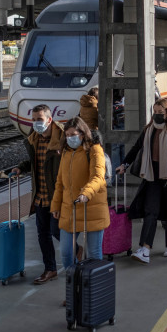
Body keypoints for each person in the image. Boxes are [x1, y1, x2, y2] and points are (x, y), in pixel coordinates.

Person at [116, 99, 167, 263]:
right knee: (151, 210)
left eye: (160, 113)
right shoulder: (149, 130)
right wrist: (124, 165)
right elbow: (136, 148)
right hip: (152, 176)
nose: (157, 115)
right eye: (155, 112)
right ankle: (145, 249)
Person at [10, 104, 64, 285]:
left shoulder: (63, 138)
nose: (35, 123)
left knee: (57, 231)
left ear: (49, 119)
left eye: (39, 119)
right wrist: (21, 167)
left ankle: (76, 252)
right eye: (33, 120)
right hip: (40, 195)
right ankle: (50, 269)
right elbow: (34, 161)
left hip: (57, 195)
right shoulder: (34, 139)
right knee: (43, 234)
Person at [51, 117, 109, 277]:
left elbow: (98, 177)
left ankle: (93, 291)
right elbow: (60, 182)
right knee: (66, 253)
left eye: (73, 134)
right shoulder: (65, 153)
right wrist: (55, 206)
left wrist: (86, 193)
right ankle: (75, 287)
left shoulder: (94, 149)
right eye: (67, 135)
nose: (70, 138)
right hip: (70, 209)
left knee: (94, 253)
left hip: (92, 207)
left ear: (82, 134)